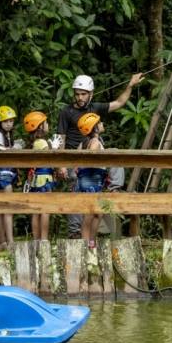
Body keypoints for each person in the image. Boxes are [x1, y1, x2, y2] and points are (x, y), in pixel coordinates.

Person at [58, 72, 143, 238]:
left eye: (83, 94)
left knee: (113, 156)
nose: (80, 97)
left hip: (93, 157)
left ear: (90, 94)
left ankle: (114, 189)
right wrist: (61, 164)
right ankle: (76, 233)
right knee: (77, 189)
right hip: (74, 157)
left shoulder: (94, 108)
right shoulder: (66, 112)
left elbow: (119, 103)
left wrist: (130, 85)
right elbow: (61, 139)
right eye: (77, 94)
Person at [23, 110, 62, 241]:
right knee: (45, 210)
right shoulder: (42, 143)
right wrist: (55, 149)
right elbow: (50, 159)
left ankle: (36, 239)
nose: (48, 124)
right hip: (44, 178)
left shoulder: (35, 142)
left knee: (36, 210)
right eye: (46, 122)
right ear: (40, 126)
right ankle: (44, 239)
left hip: (35, 180)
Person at [0, 105, 20, 249]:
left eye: (11, 121)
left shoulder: (6, 135)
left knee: (2, 208)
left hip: (5, 173)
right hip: (2, 174)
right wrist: (14, 149)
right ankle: (9, 242)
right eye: (6, 121)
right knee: (7, 208)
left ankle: (2, 242)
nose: (9, 123)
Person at [75, 112, 107, 247]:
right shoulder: (94, 142)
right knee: (90, 213)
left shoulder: (87, 142)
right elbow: (90, 157)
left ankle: (91, 241)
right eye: (99, 123)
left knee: (97, 213)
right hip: (91, 178)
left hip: (94, 178)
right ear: (94, 127)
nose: (102, 124)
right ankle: (86, 241)